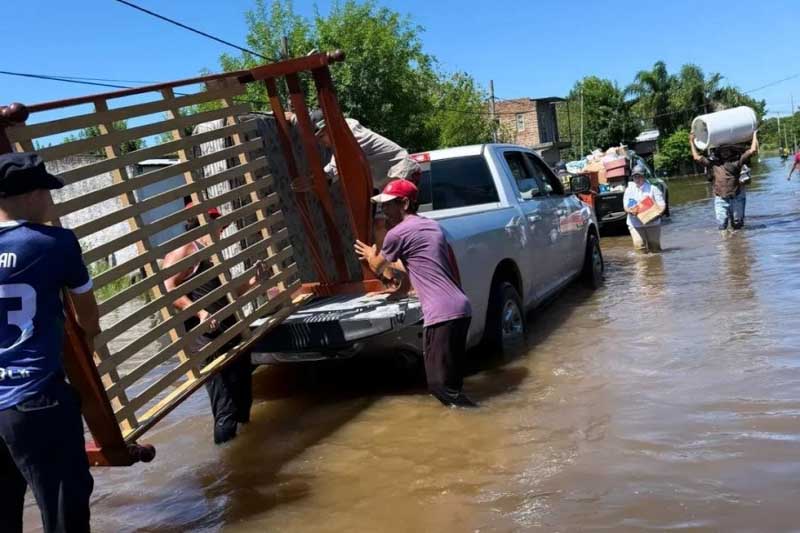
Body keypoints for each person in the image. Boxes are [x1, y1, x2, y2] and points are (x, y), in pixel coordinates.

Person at [0, 152, 100, 533]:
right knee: (64, 510)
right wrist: (88, 346)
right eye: (48, 192)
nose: (51, 201)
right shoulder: (53, 243)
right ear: (30, 194)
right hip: (35, 397)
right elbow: (87, 314)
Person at [354, 179, 476, 408]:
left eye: (388, 205)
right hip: (461, 308)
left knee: (440, 386)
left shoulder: (396, 234)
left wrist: (371, 253)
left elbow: (379, 267)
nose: (383, 211)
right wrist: (401, 290)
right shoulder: (431, 226)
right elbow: (419, 263)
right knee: (453, 385)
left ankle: (477, 420)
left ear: (405, 203)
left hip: (441, 315)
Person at [163, 204, 269, 444]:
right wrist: (199, 312)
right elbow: (167, 289)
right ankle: (227, 464)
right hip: (207, 340)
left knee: (243, 401)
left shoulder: (213, 254)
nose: (222, 231)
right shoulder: (187, 250)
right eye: (219, 225)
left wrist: (253, 281)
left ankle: (246, 453)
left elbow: (227, 295)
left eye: (222, 227)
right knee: (226, 409)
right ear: (202, 223)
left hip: (229, 332)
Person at [690, 131, 758, 231]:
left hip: (736, 197)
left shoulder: (737, 162)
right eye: (722, 150)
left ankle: (738, 242)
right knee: (722, 226)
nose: (725, 152)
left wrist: (754, 135)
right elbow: (696, 157)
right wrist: (691, 141)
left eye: (727, 150)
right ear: (719, 152)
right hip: (720, 198)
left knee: (737, 226)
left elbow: (752, 150)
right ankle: (725, 243)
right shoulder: (713, 163)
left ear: (731, 151)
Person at [623, 163, 666, 252]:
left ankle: (656, 265)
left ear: (644, 177)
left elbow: (662, 205)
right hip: (635, 223)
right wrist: (630, 211)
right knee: (639, 248)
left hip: (653, 223)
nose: (637, 179)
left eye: (639, 176)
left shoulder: (653, 189)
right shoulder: (629, 190)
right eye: (635, 177)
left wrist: (657, 214)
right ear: (632, 177)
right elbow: (626, 206)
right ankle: (642, 265)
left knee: (655, 249)